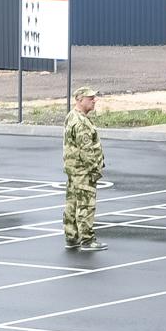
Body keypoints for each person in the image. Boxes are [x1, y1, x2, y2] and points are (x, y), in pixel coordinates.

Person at [62, 87, 106, 252]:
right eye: (90, 98)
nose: (94, 100)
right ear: (80, 100)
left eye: (94, 97)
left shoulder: (71, 116)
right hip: (83, 171)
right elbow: (86, 150)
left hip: (74, 170)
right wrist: (95, 169)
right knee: (85, 205)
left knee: (72, 203)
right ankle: (87, 240)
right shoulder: (80, 121)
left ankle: (71, 237)